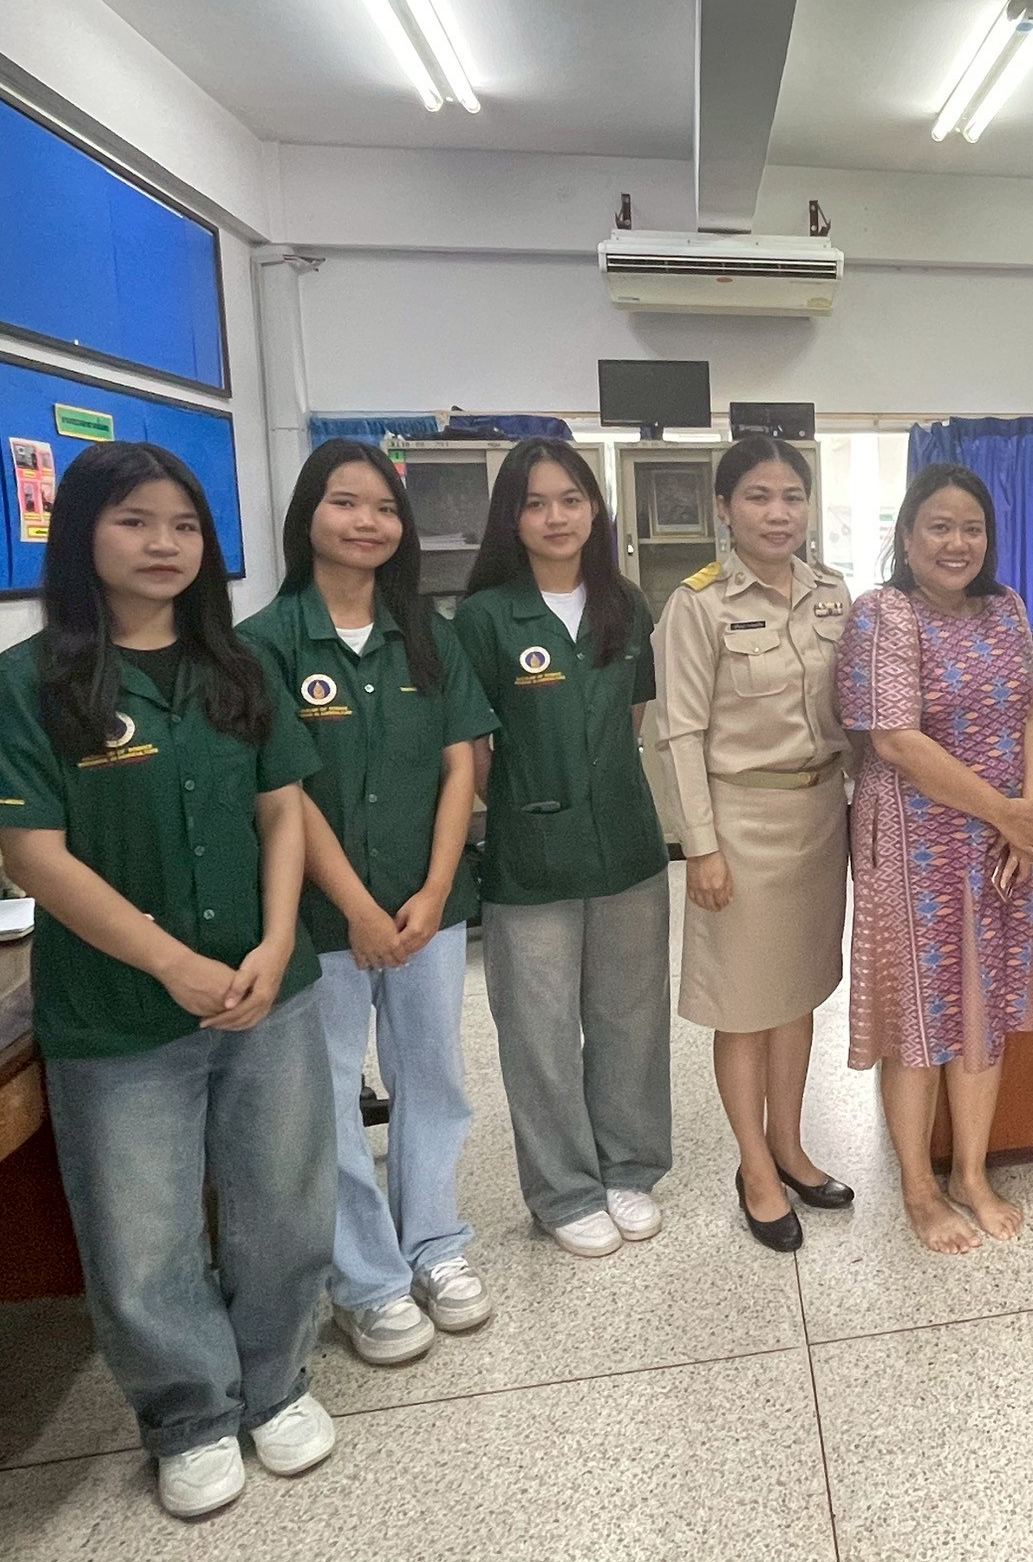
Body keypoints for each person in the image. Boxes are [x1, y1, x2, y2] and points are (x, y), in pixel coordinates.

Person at [0, 443, 335, 1519]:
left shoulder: (239, 667)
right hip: (121, 1009)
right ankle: (190, 1416)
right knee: (143, 1230)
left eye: (184, 524)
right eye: (134, 521)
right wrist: (172, 962)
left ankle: (277, 1385)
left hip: (268, 986)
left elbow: (282, 811)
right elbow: (32, 856)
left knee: (284, 1202)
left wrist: (274, 941)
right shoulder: (28, 683)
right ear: (81, 533)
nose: (164, 544)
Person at [241, 441, 499, 1364]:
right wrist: (355, 906)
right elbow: (283, 793)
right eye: (345, 503)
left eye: (385, 508)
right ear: (307, 515)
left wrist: (433, 891)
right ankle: (366, 1281)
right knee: (329, 1098)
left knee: (433, 1076)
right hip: (320, 920)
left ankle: (434, 1245)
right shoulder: (264, 644)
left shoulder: (427, 634)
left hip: (430, 908)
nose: (368, 523)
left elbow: (461, 767)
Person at [837, 461, 1033, 1255]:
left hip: (999, 849)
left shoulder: (1005, 609)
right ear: (906, 536)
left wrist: (1026, 817)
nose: (957, 542)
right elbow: (895, 741)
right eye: (939, 526)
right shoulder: (883, 615)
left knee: (984, 1009)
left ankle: (971, 1172)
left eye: (972, 528)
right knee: (919, 1020)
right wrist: (1007, 813)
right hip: (913, 850)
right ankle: (919, 1188)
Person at [454, 438, 672, 1259]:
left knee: (630, 1020)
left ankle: (629, 1169)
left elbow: (631, 720)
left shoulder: (625, 605)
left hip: (627, 846)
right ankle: (564, 1192)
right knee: (538, 1033)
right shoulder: (484, 618)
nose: (556, 517)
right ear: (511, 518)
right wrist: (535, 804)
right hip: (530, 858)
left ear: (595, 509)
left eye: (571, 500)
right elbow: (472, 752)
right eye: (536, 503)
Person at [654, 438, 855, 1253]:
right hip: (739, 825)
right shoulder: (697, 604)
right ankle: (755, 1168)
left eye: (792, 497)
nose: (779, 513)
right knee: (743, 1008)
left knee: (796, 994)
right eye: (759, 497)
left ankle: (791, 1146)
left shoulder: (833, 594)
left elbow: (856, 714)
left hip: (821, 817)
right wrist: (700, 847)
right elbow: (679, 733)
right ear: (724, 509)